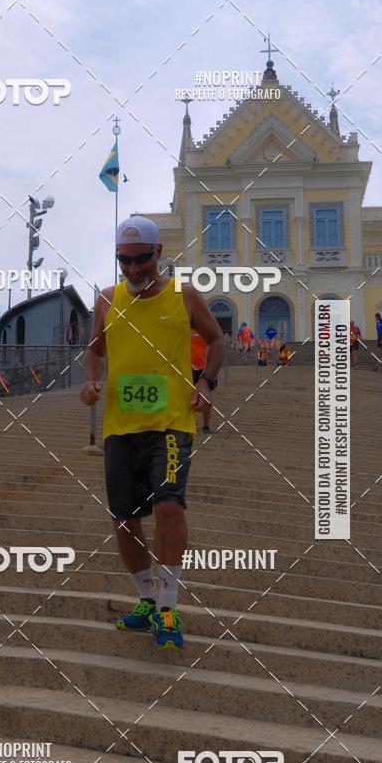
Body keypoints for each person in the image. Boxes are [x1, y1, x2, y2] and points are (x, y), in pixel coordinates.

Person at [80, 216, 224, 650]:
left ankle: (168, 605)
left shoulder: (185, 296)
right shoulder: (108, 299)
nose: (133, 268)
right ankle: (146, 598)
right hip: (121, 427)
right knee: (125, 520)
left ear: (158, 253)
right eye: (124, 260)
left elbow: (216, 340)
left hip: (170, 424)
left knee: (168, 508)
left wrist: (206, 382)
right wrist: (91, 380)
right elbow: (95, 349)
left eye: (141, 259)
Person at [191, 329, 212, 434]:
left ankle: (206, 426)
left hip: (204, 367)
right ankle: (193, 423)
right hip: (190, 366)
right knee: (189, 396)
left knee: (206, 398)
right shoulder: (186, 327)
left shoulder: (205, 328)